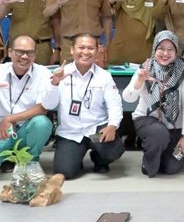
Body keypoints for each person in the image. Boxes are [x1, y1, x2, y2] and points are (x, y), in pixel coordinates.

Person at [42, 33, 125, 178]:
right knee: (64, 172)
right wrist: (54, 83)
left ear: (97, 50)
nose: (85, 52)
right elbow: (48, 105)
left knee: (112, 150)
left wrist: (112, 125)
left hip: (96, 128)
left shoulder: (104, 76)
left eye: (90, 48)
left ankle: (99, 159)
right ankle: (75, 157)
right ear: (72, 50)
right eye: (81, 47)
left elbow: (115, 105)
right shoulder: (60, 74)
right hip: (70, 132)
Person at [0, 36, 54, 172]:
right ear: (10, 52)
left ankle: (30, 160)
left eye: (30, 52)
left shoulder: (43, 73)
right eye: (19, 52)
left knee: (42, 123)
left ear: (35, 54)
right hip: (0, 128)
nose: (24, 57)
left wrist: (9, 119)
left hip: (27, 127)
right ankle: (10, 156)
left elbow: (42, 108)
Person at [123, 31, 184, 177]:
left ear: (176, 51)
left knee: (172, 167)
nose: (165, 53)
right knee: (159, 133)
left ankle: (159, 151)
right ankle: (149, 163)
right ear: (154, 49)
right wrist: (139, 81)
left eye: (170, 49)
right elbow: (128, 98)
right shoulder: (145, 67)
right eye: (161, 48)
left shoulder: (183, 70)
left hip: (174, 126)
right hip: (147, 120)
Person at [107, 0, 160, 65]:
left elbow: (161, 16)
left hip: (144, 52)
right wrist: (110, 2)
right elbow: (111, 9)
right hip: (120, 52)